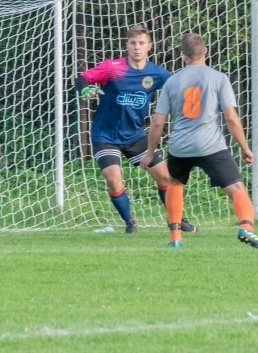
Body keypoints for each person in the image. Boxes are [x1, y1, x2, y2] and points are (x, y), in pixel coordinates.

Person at [140, 32, 258, 249]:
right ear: (206, 51)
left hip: (180, 147)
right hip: (210, 146)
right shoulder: (218, 78)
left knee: (174, 184)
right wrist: (244, 147)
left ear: (183, 56)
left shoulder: (172, 82)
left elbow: (158, 123)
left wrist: (150, 152)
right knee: (237, 187)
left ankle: (175, 238)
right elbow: (231, 118)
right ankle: (246, 228)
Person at [75, 24, 196, 234]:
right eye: (132, 43)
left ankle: (177, 220)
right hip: (106, 135)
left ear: (150, 46)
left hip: (135, 136)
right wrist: (84, 88)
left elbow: (178, 86)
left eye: (141, 43)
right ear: (127, 46)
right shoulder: (113, 68)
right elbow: (81, 77)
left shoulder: (156, 73)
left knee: (166, 177)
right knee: (113, 179)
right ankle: (130, 223)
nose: (137, 47)